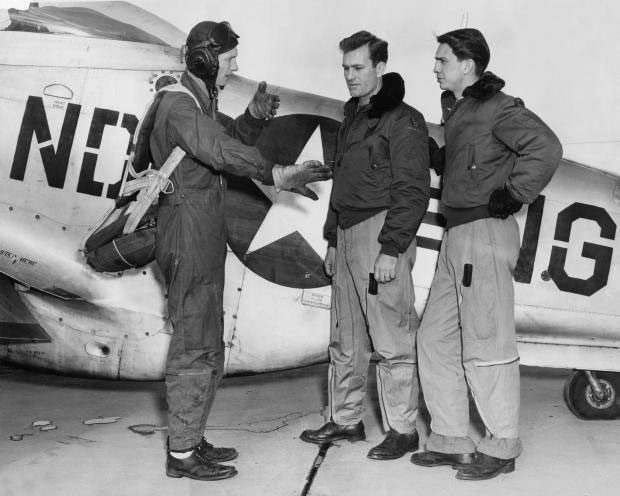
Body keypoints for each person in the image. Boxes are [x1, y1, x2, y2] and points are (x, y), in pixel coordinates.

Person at [152, 21, 331, 481]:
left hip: (204, 228)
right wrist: (278, 174)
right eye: (230, 60)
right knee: (193, 342)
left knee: (209, 340)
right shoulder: (177, 104)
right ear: (206, 60)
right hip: (187, 229)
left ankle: (191, 437)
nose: (234, 68)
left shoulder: (200, 103)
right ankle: (181, 454)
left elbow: (229, 137)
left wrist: (253, 117)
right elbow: (218, 150)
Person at [411, 28, 563, 480]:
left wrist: (515, 193)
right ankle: (452, 438)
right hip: (456, 235)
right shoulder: (460, 111)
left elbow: (547, 147)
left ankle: (501, 445)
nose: (435, 67)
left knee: (486, 339)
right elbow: (473, 163)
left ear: (467, 65)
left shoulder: (497, 106)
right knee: (433, 338)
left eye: (442, 60)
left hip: (484, 232)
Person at [300, 30, 430, 460]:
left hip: (381, 233)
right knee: (346, 338)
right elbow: (344, 182)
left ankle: (402, 429)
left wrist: (391, 248)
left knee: (392, 338)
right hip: (348, 233)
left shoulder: (404, 120)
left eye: (357, 68)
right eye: (345, 69)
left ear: (379, 67)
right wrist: (333, 237)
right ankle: (346, 419)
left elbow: (413, 191)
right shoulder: (354, 115)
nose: (349, 76)